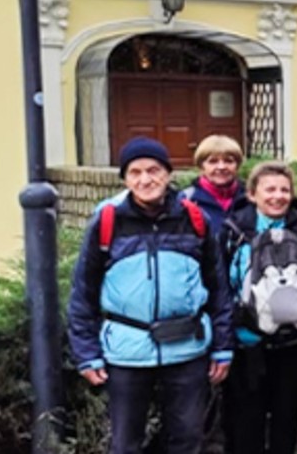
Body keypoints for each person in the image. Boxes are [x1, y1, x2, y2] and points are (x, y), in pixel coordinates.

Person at [68, 137, 233, 454]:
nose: (146, 180)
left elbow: (218, 290)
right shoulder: (107, 222)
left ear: (168, 173)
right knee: (126, 444)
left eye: (154, 170)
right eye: (135, 172)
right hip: (127, 352)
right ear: (126, 179)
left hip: (188, 349)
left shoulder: (195, 220)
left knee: (187, 440)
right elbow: (83, 294)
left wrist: (223, 346)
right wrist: (86, 352)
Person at [221, 163, 297, 454]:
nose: (278, 196)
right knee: (247, 419)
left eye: (284, 190)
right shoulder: (234, 230)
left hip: (293, 341)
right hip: (247, 341)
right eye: (270, 189)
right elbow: (220, 283)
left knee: (286, 418)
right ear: (252, 194)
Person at [184, 135, 247, 224]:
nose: (221, 167)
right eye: (213, 161)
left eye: (228, 161)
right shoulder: (186, 199)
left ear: (237, 165)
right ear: (201, 166)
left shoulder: (252, 198)